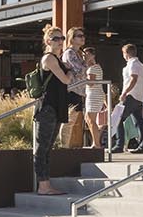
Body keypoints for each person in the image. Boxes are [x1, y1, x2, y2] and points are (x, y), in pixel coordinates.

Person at [30, 26, 78, 195]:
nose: (60, 42)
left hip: (56, 106)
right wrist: (69, 73)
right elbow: (65, 79)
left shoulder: (57, 59)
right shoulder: (49, 59)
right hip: (47, 108)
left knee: (49, 147)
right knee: (42, 147)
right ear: (48, 41)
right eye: (56, 39)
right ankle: (43, 185)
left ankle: (46, 183)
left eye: (62, 38)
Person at [118, 43, 143, 154]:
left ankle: (119, 145)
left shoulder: (133, 64)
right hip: (139, 96)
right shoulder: (140, 64)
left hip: (131, 96)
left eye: (123, 53)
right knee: (139, 121)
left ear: (126, 53)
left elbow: (133, 79)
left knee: (119, 119)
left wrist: (125, 93)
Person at [80, 47, 107, 149]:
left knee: (91, 119)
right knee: (89, 119)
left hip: (94, 95)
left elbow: (91, 83)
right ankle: (95, 142)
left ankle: (97, 143)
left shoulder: (93, 68)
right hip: (93, 94)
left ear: (92, 56)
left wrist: (82, 76)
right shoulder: (94, 67)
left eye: (86, 55)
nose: (85, 57)